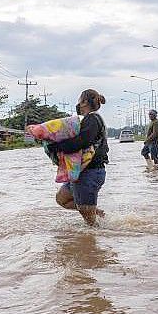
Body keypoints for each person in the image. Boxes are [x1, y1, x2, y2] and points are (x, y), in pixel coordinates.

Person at [50, 89, 109, 226]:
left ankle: (97, 237)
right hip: (80, 172)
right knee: (62, 199)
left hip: (90, 173)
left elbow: (81, 142)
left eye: (79, 100)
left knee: (91, 227)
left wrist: (57, 146)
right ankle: (96, 213)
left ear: (83, 102)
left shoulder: (93, 119)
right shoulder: (90, 119)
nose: (77, 104)